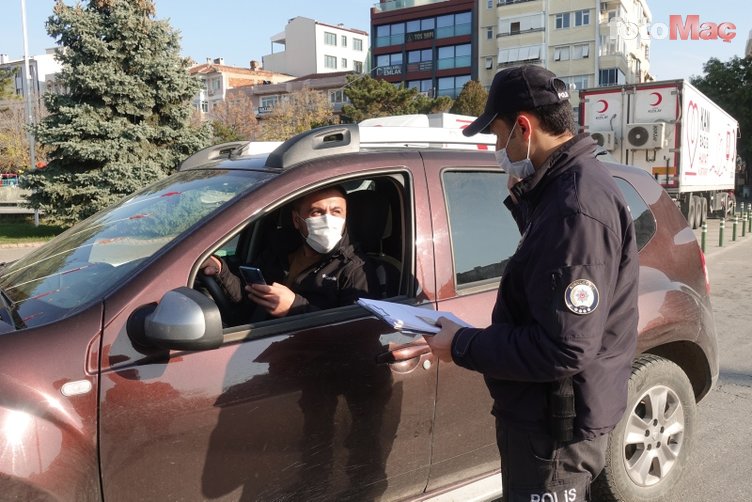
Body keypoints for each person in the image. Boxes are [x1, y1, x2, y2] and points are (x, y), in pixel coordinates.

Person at [425, 65, 639, 502]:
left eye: (498, 135)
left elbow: (565, 347)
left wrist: (462, 344)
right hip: (548, 412)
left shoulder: (575, 207)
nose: (497, 148)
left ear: (524, 126)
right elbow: (550, 265)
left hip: (554, 426)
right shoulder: (566, 189)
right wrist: (526, 198)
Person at [201, 186, 376, 318]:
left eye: (336, 212)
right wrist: (221, 269)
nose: (328, 220)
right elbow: (250, 295)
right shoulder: (279, 251)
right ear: (296, 220)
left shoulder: (355, 270)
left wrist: (293, 307)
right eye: (317, 212)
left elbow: (353, 334)